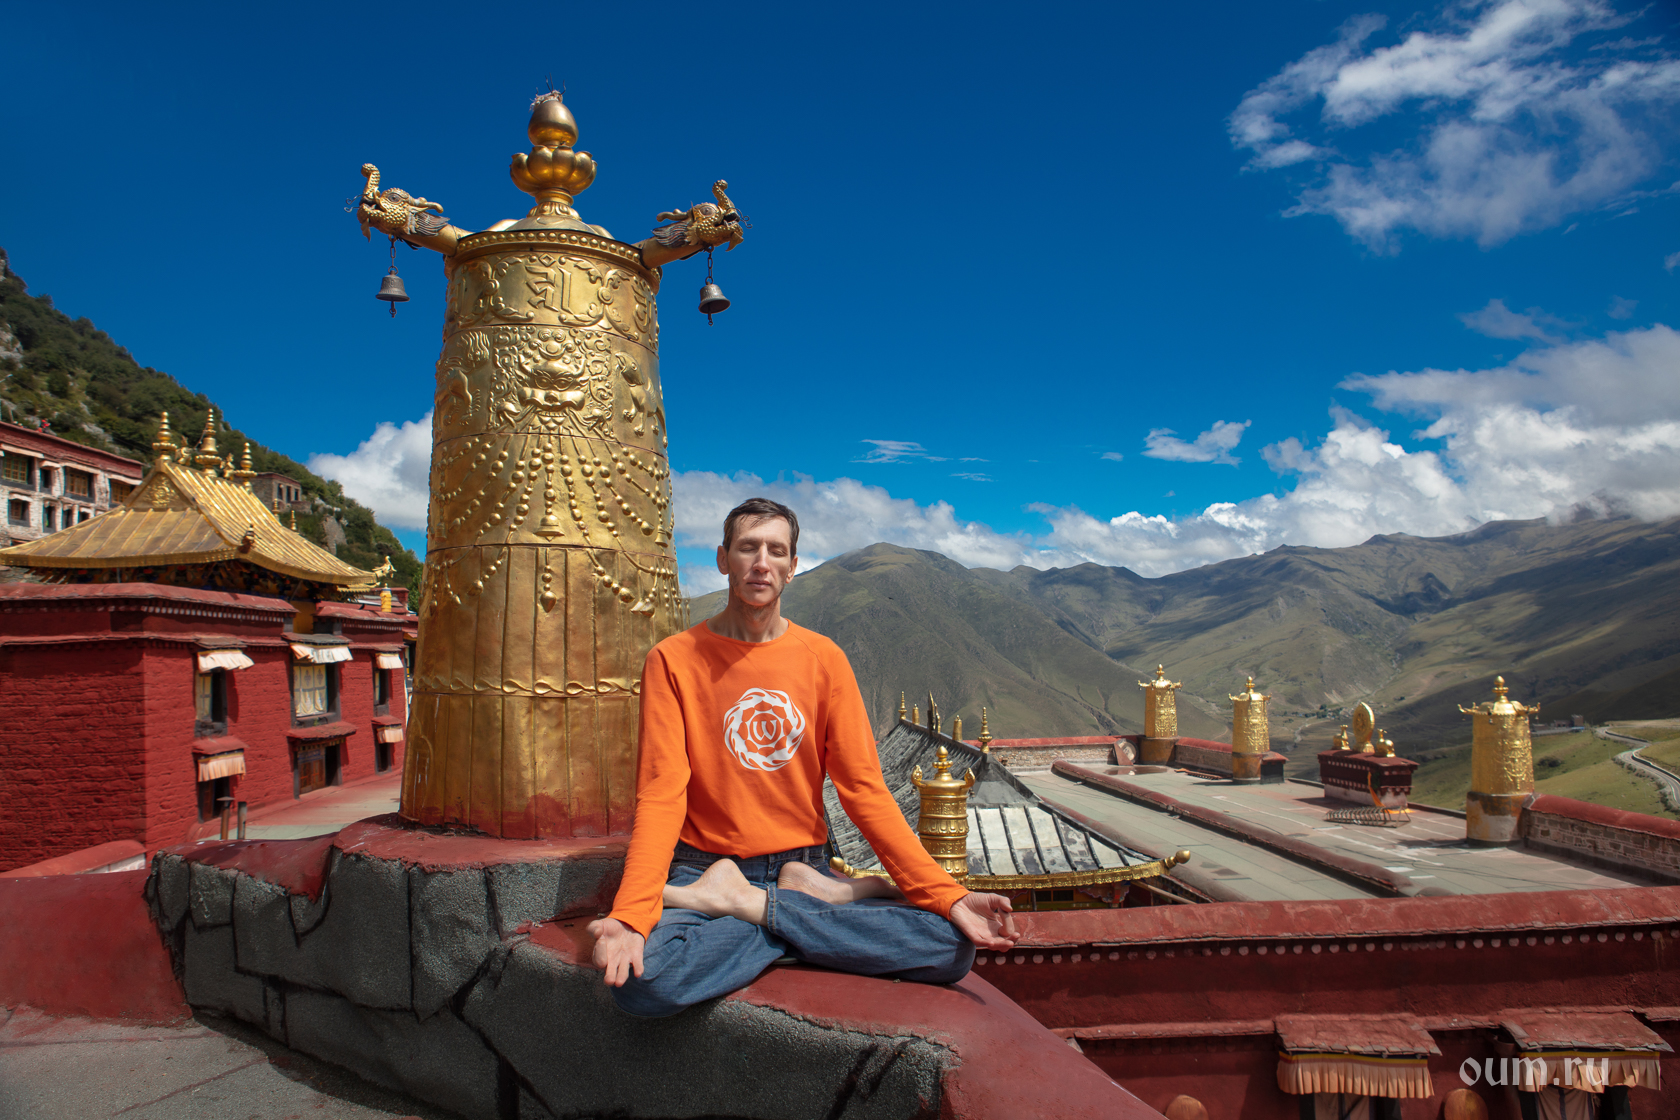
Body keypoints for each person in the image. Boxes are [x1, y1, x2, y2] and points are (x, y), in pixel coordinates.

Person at [587, 497, 1020, 1016]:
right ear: (723, 559)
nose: (761, 563)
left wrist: (948, 895)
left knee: (952, 947)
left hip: (800, 864)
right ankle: (800, 910)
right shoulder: (673, 660)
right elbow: (662, 794)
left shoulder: (824, 659)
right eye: (747, 548)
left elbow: (864, 792)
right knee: (644, 983)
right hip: (704, 868)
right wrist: (632, 916)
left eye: (776, 551)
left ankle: (752, 904)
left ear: (792, 567)